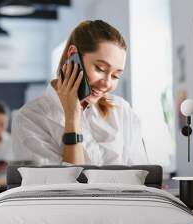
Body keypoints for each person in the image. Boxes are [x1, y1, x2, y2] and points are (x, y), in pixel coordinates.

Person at [13, 20, 148, 165]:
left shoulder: (122, 111)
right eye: (100, 69)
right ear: (73, 55)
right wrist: (72, 119)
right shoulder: (30, 118)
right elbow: (61, 185)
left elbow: (143, 177)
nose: (107, 83)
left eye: (116, 76)